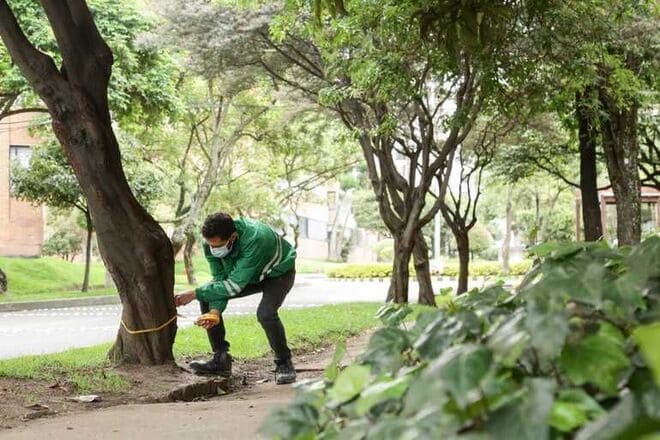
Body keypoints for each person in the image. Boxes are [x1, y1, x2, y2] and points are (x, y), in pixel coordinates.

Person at [174, 212, 297, 384]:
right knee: (208, 297)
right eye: (211, 246)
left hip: (278, 273)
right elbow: (220, 280)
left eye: (219, 246)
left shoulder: (255, 238)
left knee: (266, 314)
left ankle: (284, 363)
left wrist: (195, 293)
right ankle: (221, 359)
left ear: (233, 236)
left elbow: (234, 285)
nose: (214, 250)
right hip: (248, 275)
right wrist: (215, 312)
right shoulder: (210, 243)